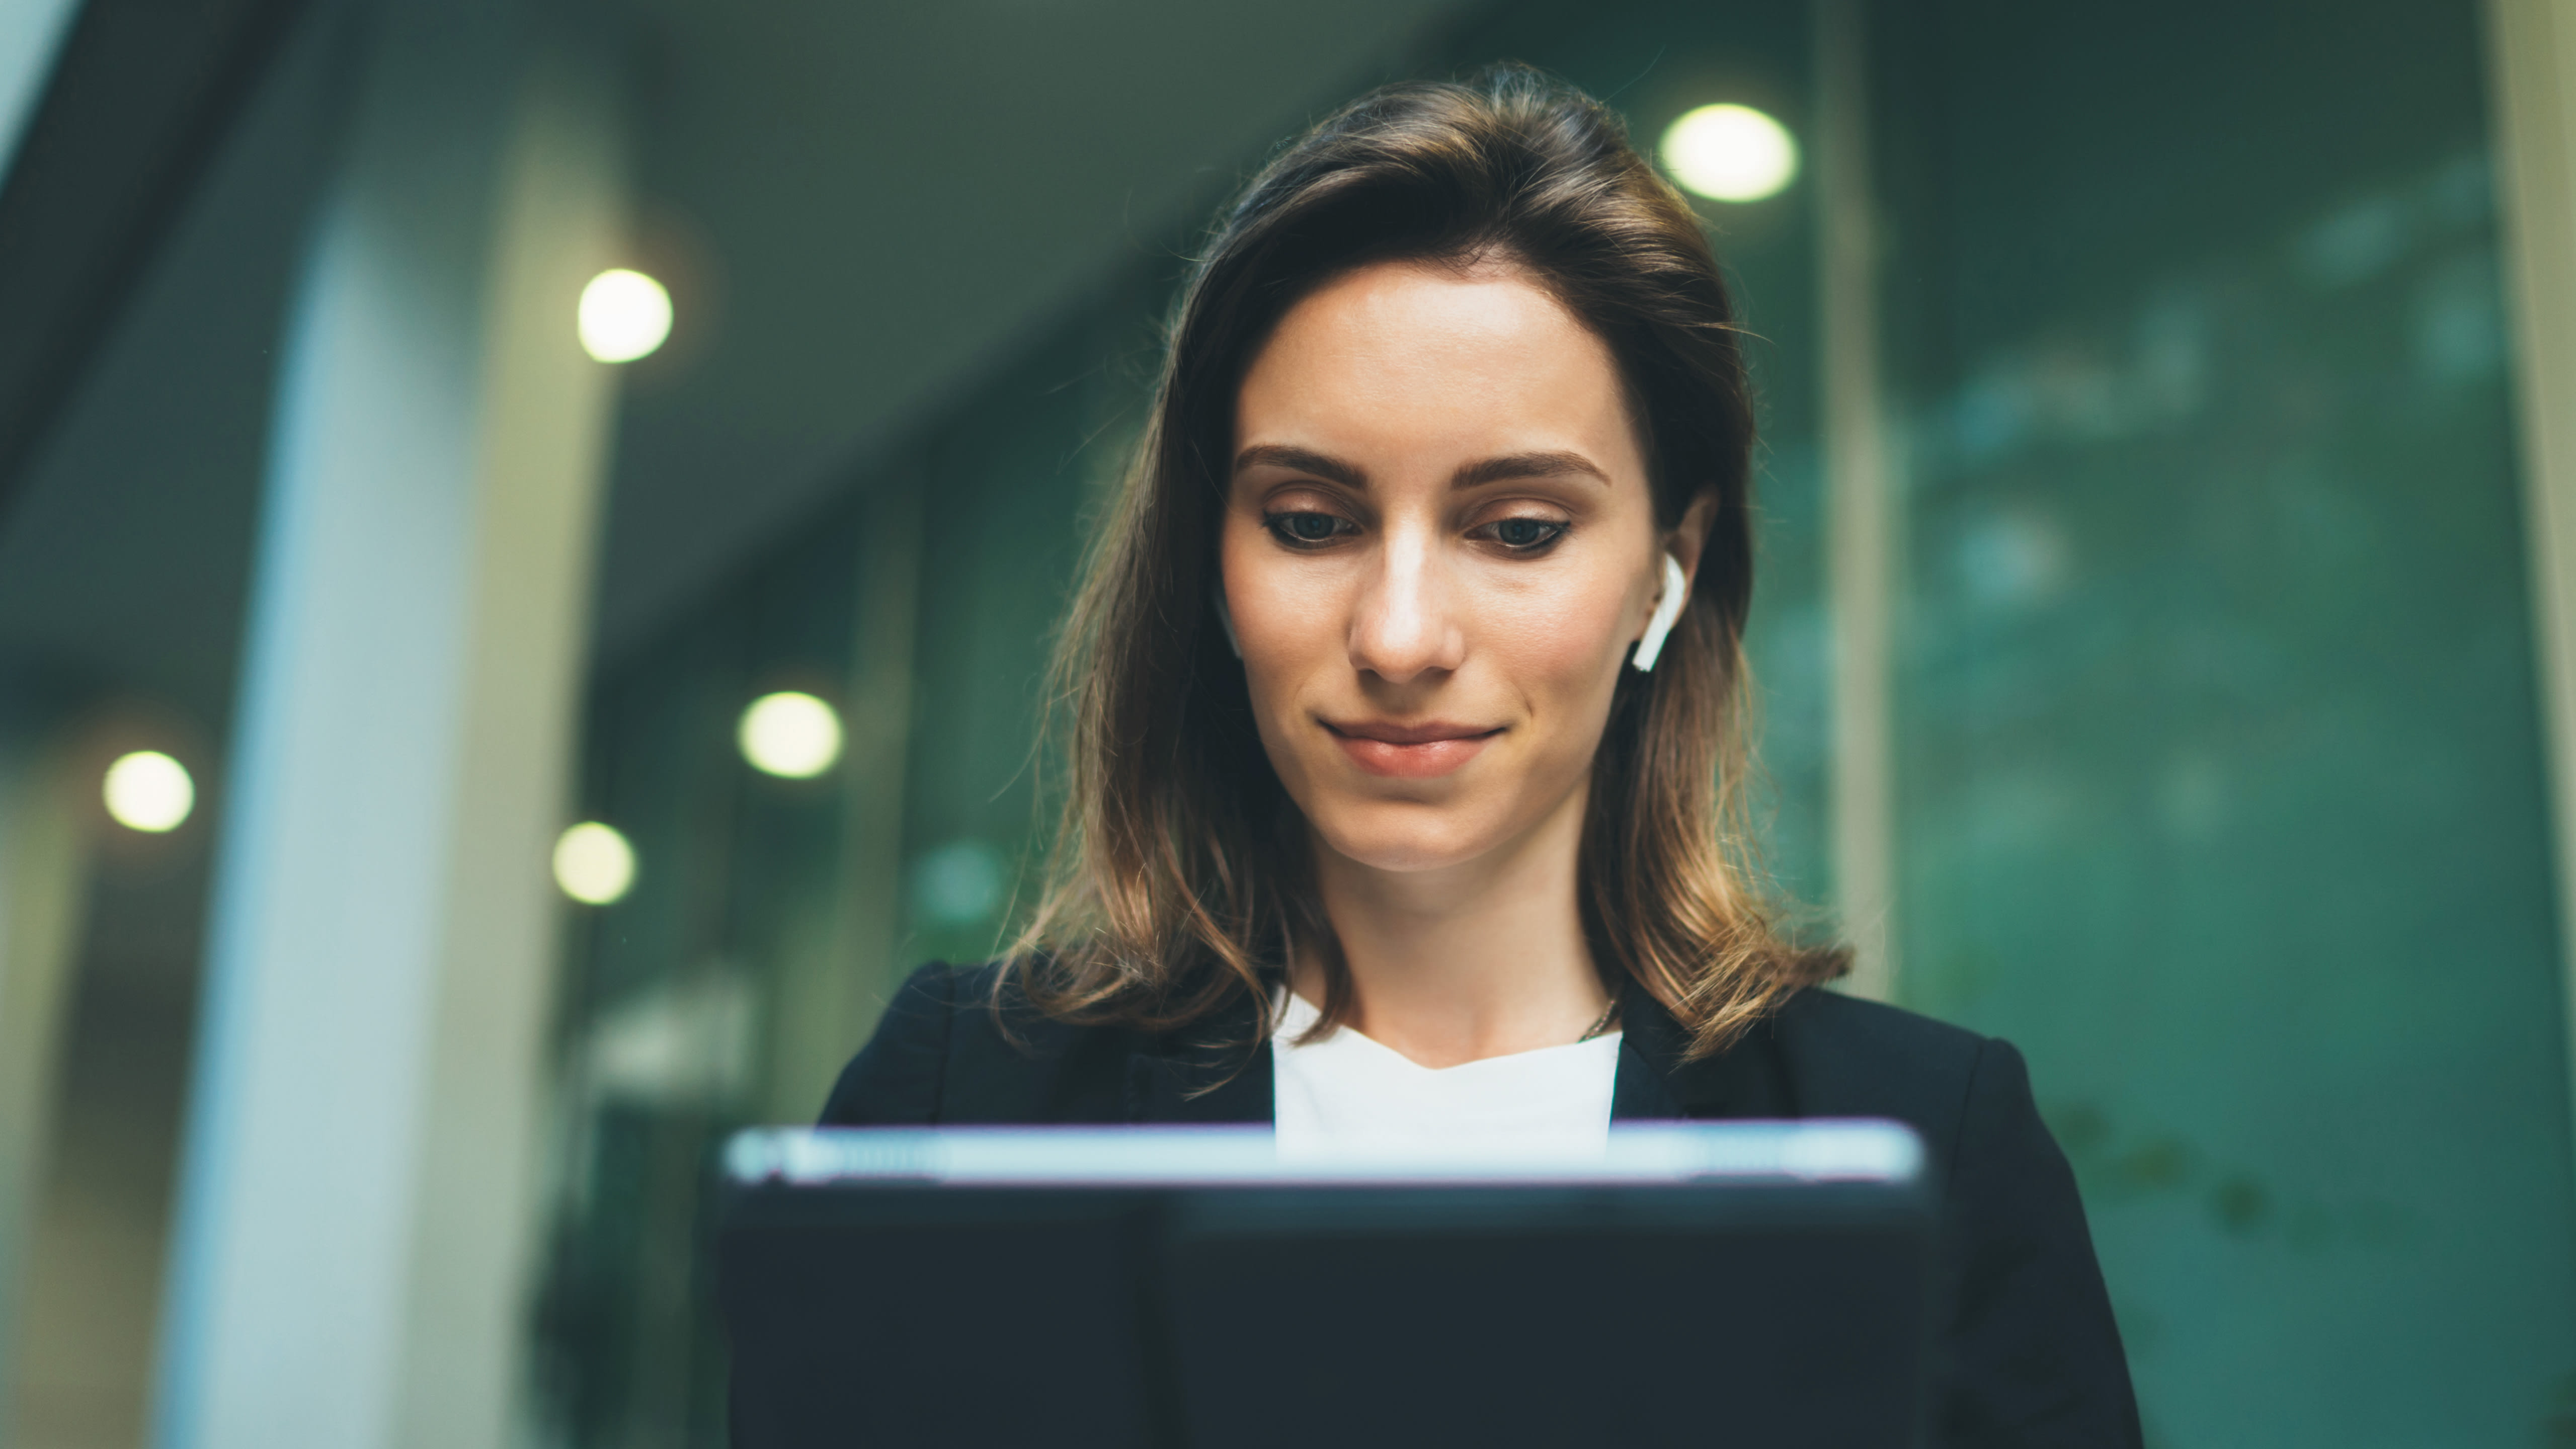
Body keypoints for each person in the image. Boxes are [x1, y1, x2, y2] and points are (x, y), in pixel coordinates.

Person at [823, 64, 2140, 1446]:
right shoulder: (962, 1102)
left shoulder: (1927, 1148)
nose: (1399, 635)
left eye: (1516, 530)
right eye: (1311, 520)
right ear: (1209, 562)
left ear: (1667, 576)